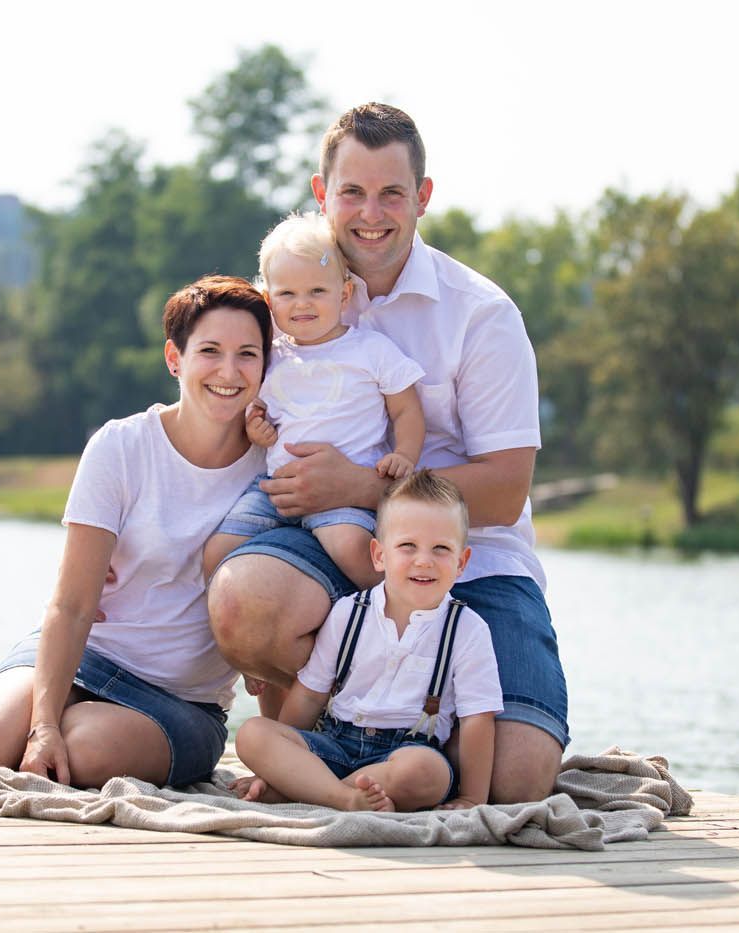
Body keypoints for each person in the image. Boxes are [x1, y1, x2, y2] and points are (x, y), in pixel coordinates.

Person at [208, 103, 570, 803]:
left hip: (474, 559)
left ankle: (372, 760)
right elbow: (220, 405)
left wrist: (363, 487)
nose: (370, 213)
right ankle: (317, 747)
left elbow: (503, 491)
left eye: (391, 194)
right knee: (245, 600)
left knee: (518, 781)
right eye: (351, 192)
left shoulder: (481, 316)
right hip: (332, 545)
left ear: (422, 198)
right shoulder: (289, 299)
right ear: (323, 194)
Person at [0, 275, 271, 789]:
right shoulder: (121, 448)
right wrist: (41, 725)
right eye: (210, 351)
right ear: (174, 359)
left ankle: (28, 729)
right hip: (86, 655)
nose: (229, 370)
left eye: (248, 354)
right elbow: (70, 604)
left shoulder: (275, 462)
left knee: (83, 753)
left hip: (180, 703)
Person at [233, 470, 500, 812]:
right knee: (253, 734)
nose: (424, 560)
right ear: (379, 555)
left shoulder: (467, 629)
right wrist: (275, 762)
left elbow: (478, 719)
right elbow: (310, 694)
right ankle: (343, 797)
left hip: (403, 755)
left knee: (427, 773)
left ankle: (307, 789)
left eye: (441, 549)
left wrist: (472, 798)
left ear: (461, 562)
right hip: (335, 745)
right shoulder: (349, 613)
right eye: (407, 546)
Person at [202, 211, 425, 591]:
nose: (302, 304)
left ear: (344, 293)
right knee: (216, 552)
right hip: (275, 487)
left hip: (343, 495)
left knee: (358, 553)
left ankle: (387, 619)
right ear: (270, 301)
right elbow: (260, 413)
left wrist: (404, 454)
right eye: (288, 294)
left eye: (317, 292)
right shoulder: (271, 357)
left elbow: (406, 409)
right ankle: (217, 644)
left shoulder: (370, 350)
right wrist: (257, 428)